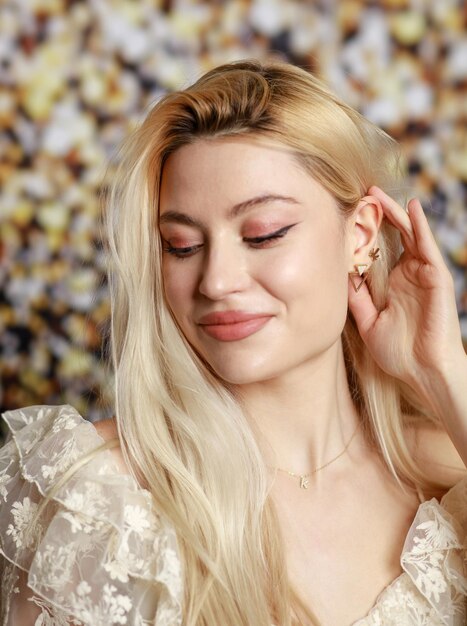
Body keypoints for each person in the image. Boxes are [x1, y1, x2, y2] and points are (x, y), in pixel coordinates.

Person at [0, 58, 466, 626]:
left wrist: (444, 371)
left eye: (263, 234)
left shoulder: (449, 467)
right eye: (182, 245)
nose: (217, 281)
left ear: (361, 236)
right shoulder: (98, 496)